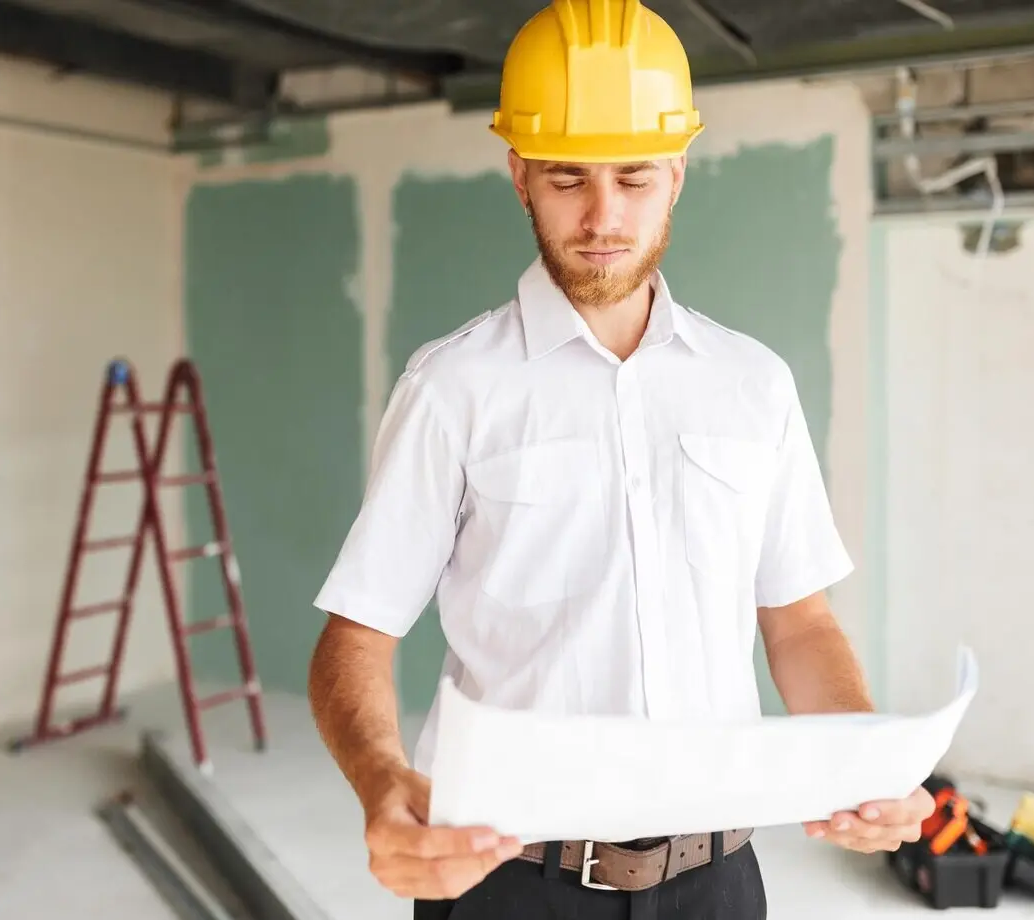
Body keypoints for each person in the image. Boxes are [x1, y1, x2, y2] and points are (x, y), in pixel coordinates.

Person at [305, 0, 935, 917]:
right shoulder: (452, 389)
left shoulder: (753, 385)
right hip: (505, 879)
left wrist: (865, 768)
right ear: (519, 173)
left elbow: (798, 622)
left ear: (678, 172)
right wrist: (380, 783)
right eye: (568, 178)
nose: (603, 216)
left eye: (634, 177)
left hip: (716, 882)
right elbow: (356, 636)